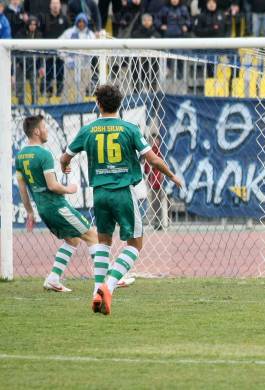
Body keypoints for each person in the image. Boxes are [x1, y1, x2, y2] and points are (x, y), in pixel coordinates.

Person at [60, 84, 183, 315]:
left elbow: (65, 157)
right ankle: (109, 286)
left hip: (100, 194)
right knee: (135, 244)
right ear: (120, 104)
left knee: (104, 242)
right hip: (122, 193)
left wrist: (65, 167)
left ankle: (96, 291)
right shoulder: (130, 129)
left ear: (98, 104)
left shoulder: (88, 130)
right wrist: (171, 175)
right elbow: (153, 159)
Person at [15, 115, 98, 293]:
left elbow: (23, 189)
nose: (46, 131)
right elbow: (52, 185)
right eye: (44, 127)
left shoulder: (20, 157)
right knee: (92, 236)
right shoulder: (44, 154)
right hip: (57, 207)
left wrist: (30, 212)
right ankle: (104, 281)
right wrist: (70, 189)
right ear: (36, 131)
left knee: (73, 239)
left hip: (44, 209)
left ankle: (53, 279)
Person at [59, 13, 95, 103]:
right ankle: (64, 104)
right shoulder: (69, 32)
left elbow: (95, 49)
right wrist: (66, 59)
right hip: (71, 66)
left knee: (82, 88)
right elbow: (58, 45)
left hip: (85, 66)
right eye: (79, 21)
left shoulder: (90, 34)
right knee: (67, 86)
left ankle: (80, 104)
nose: (81, 23)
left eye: (83, 21)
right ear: (76, 22)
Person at [40, 0, 69, 98]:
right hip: (48, 53)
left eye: (57, 3)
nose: (55, 6)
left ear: (60, 5)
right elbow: (41, 35)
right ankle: (48, 93)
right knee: (48, 75)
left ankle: (59, 94)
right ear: (50, 5)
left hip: (61, 54)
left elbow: (68, 35)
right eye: (53, 3)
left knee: (60, 75)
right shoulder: (45, 18)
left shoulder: (64, 19)